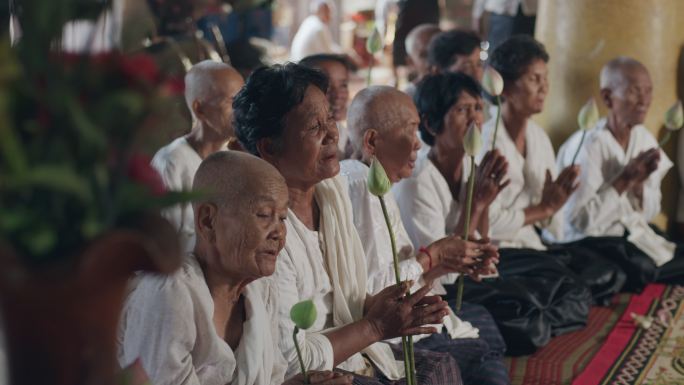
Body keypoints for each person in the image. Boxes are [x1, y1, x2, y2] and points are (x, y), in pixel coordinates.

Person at [233, 63, 463, 384]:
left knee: (445, 364)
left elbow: (341, 298)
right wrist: (374, 326)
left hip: (356, 351)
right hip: (314, 374)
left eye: (330, 119)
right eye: (315, 126)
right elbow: (289, 358)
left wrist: (379, 307)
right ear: (270, 147)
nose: (332, 133)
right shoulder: (265, 234)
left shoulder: (331, 192)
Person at [393, 71, 592, 355]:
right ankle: (537, 323)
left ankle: (541, 320)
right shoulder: (418, 182)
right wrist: (476, 204)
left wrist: (484, 203)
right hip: (445, 285)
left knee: (571, 285)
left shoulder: (472, 168)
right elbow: (444, 268)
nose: (474, 118)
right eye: (462, 110)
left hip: (472, 274)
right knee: (526, 317)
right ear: (431, 124)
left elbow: (481, 239)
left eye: (478, 108)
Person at [118, 151, 354, 385]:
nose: (279, 233)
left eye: (282, 218)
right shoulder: (170, 296)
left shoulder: (262, 292)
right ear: (208, 221)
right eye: (264, 215)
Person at [341, 86, 510, 385]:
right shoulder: (361, 187)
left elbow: (400, 270)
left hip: (412, 314)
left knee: (488, 329)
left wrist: (450, 262)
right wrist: (432, 257)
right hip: (391, 335)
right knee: (483, 351)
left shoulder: (373, 184)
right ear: (371, 141)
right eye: (411, 130)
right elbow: (378, 290)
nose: (418, 145)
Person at [481, 36, 625, 304]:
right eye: (535, 79)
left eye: (545, 79)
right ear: (506, 87)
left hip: (535, 245)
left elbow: (548, 221)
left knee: (609, 272)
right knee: (570, 288)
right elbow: (486, 222)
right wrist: (543, 209)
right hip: (502, 252)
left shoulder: (538, 136)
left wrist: (554, 204)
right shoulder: (488, 142)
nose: (544, 88)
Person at [563, 56, 684, 291]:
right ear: (608, 97)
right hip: (595, 241)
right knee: (643, 268)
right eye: (634, 91)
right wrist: (624, 181)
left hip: (633, 233)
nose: (644, 101)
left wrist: (640, 186)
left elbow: (650, 212)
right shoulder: (588, 146)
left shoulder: (643, 139)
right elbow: (580, 222)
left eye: (648, 91)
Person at [151, 61, 244, 253]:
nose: (241, 111)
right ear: (199, 109)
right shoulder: (171, 163)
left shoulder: (232, 161)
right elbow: (160, 246)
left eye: (242, 100)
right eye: (231, 101)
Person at [299, 54, 357, 156]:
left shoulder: (344, 133)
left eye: (343, 85)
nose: (338, 95)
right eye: (327, 87)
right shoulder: (300, 141)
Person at [471, 0, 537, 51]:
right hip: (501, 12)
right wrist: (477, 15)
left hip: (529, 12)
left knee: (525, 51)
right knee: (497, 50)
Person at [403, 23, 441, 95]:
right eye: (425, 55)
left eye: (439, 52)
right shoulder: (405, 100)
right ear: (410, 62)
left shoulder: (463, 92)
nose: (434, 63)